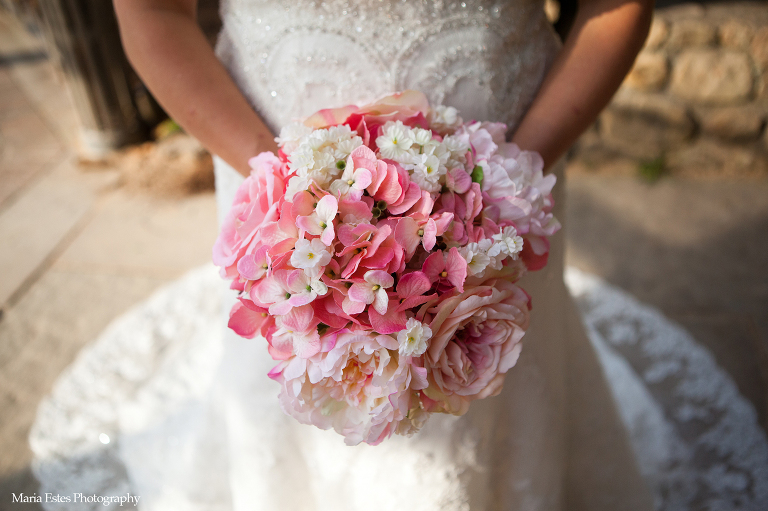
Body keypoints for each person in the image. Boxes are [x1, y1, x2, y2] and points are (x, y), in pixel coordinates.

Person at [79, 0, 657, 509]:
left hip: (508, 177)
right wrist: (290, 192)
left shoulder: (508, 189)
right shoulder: (284, 199)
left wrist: (506, 183)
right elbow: (150, 11)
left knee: (495, 370)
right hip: (278, 192)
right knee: (294, 385)